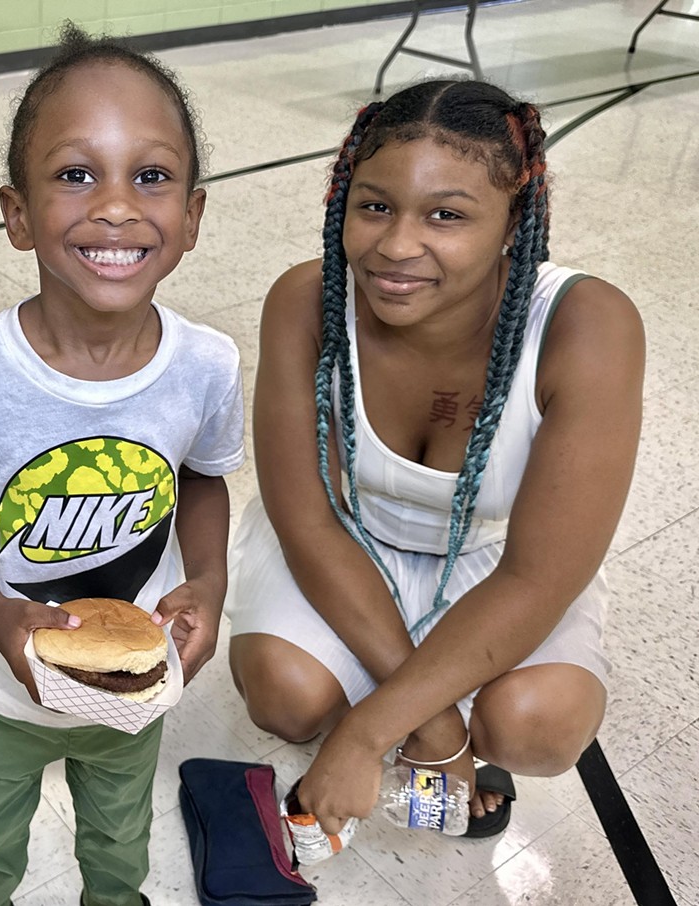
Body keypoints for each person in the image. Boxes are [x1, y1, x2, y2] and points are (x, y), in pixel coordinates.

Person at [226, 79, 644, 840]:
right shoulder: (308, 301)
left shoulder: (586, 325)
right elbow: (310, 525)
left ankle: (419, 724)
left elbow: (538, 575)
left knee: (537, 727)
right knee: (286, 699)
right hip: (352, 541)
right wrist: (434, 725)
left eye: (446, 215)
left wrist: (366, 734)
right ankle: (426, 721)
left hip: (498, 560)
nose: (394, 246)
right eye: (374, 205)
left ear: (513, 222)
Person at [0, 24, 245, 906]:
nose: (116, 206)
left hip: (134, 684)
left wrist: (208, 579)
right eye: (76, 174)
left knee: (122, 847)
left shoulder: (207, 366)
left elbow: (202, 477)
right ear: (18, 215)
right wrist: (0, 615)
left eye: (151, 176)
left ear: (193, 216)